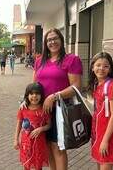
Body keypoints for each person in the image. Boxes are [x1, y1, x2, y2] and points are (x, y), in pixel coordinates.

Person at [33, 28, 82, 170]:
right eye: (49, 40)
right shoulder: (39, 61)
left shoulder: (71, 60)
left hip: (60, 110)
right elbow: (34, 86)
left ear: (61, 40)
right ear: (45, 43)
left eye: (55, 38)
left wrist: (54, 97)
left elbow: (76, 87)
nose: (52, 42)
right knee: (47, 146)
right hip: (41, 111)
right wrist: (26, 100)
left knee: (58, 147)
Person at [86, 52, 113, 170]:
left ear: (110, 69)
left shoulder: (112, 86)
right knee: (99, 163)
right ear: (92, 67)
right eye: (98, 65)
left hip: (108, 134)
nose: (101, 68)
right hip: (97, 132)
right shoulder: (97, 84)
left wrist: (105, 140)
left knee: (105, 164)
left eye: (106, 66)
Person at [14, 82, 51, 170]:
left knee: (38, 165)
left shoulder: (44, 109)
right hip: (26, 143)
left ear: (41, 95)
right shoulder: (23, 109)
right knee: (27, 164)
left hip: (39, 143)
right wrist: (15, 139)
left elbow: (49, 125)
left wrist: (41, 129)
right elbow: (18, 124)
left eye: (37, 93)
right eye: (31, 93)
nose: (34, 96)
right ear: (27, 95)